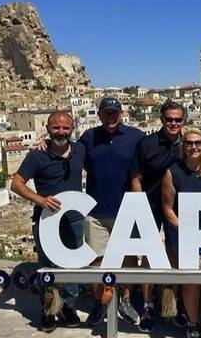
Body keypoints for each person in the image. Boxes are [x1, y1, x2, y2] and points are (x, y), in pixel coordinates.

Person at [11, 111, 85, 333]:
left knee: (72, 265)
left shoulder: (80, 150)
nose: (61, 132)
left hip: (73, 219)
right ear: (47, 129)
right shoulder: (37, 155)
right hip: (46, 221)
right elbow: (16, 184)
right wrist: (40, 200)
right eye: (56, 128)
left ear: (72, 129)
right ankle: (49, 310)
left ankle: (69, 308)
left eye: (65, 128)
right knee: (47, 267)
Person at [78, 97, 145, 327]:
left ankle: (125, 300)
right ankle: (100, 303)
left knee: (127, 258)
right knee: (95, 260)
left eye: (114, 113)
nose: (110, 117)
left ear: (121, 113)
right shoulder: (88, 137)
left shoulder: (136, 137)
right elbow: (73, 156)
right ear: (99, 114)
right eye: (106, 113)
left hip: (126, 210)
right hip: (95, 211)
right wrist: (44, 144)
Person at [161, 129, 201, 338]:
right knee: (190, 277)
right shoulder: (173, 172)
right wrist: (182, 229)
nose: (194, 147)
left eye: (198, 143)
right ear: (183, 146)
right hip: (184, 230)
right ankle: (193, 321)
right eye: (189, 143)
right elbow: (167, 207)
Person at [131, 100, 186, 332]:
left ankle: (173, 302)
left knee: (176, 254)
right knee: (149, 255)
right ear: (161, 120)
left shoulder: (190, 143)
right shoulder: (147, 144)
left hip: (178, 207)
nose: (173, 123)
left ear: (183, 121)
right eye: (169, 119)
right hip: (151, 206)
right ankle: (147, 304)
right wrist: (139, 206)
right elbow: (136, 177)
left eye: (177, 119)